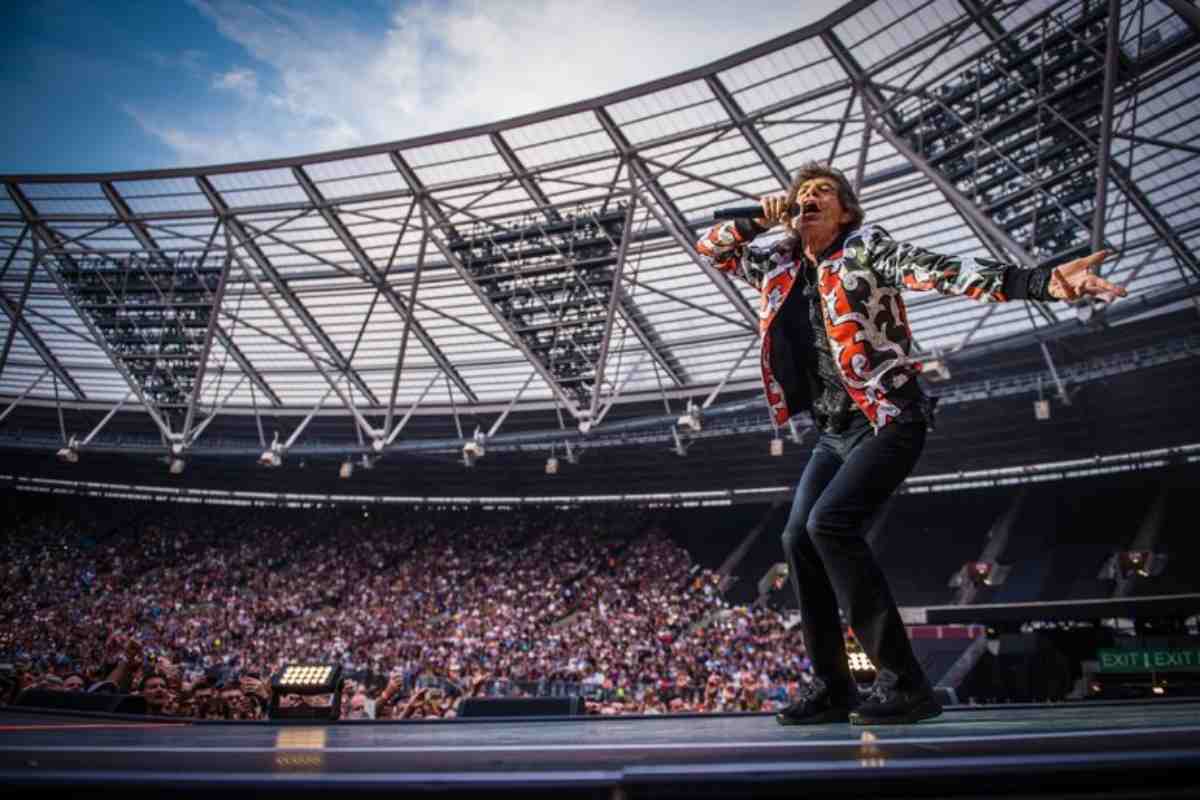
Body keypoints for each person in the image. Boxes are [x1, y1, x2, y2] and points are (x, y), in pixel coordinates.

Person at [696, 161, 1125, 725]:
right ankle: (833, 687)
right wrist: (758, 218)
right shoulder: (776, 264)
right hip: (833, 433)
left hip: (890, 417)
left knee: (829, 525)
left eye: (823, 192)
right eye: (801, 194)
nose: (809, 198)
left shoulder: (867, 248)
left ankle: (905, 684)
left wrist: (1042, 281)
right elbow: (712, 247)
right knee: (797, 536)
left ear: (845, 211)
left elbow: (944, 271)